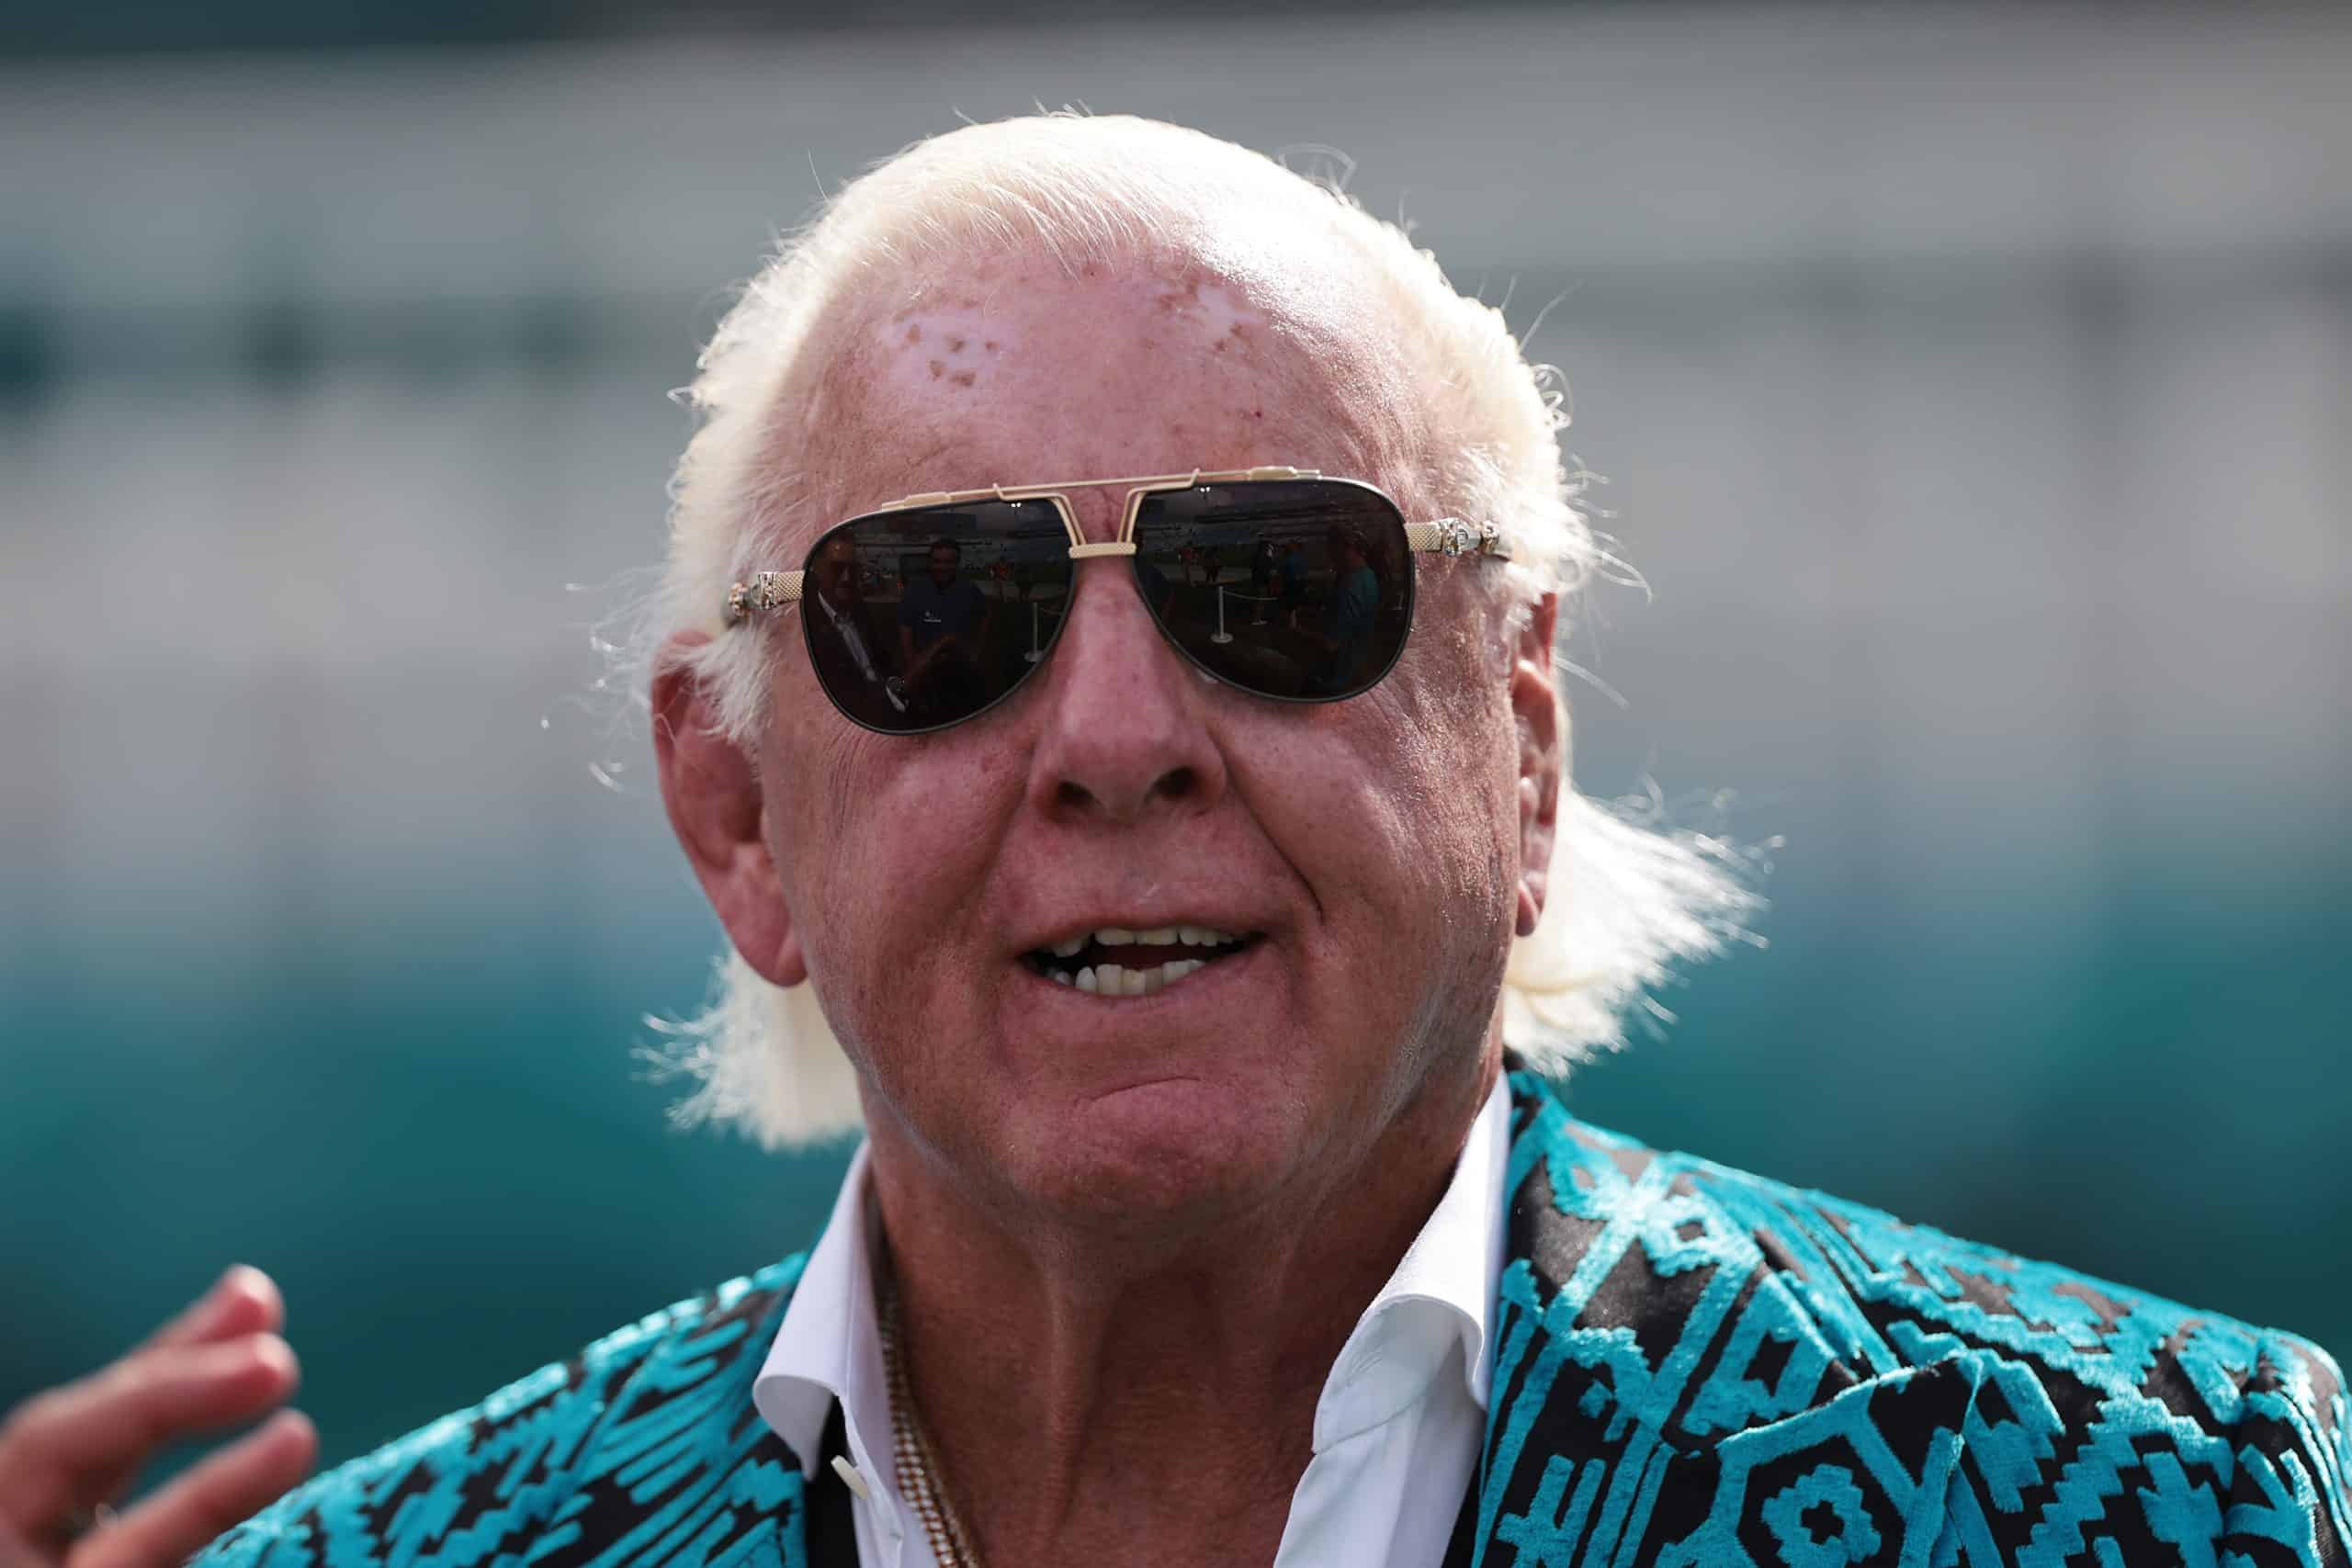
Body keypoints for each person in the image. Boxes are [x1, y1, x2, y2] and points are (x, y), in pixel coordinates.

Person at [8, 113, 2343, 1568]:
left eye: (1278, 589)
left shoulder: (2183, 1499)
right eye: (940, 616)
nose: (1114, 736)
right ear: (736, 815)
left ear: (1519, 743)